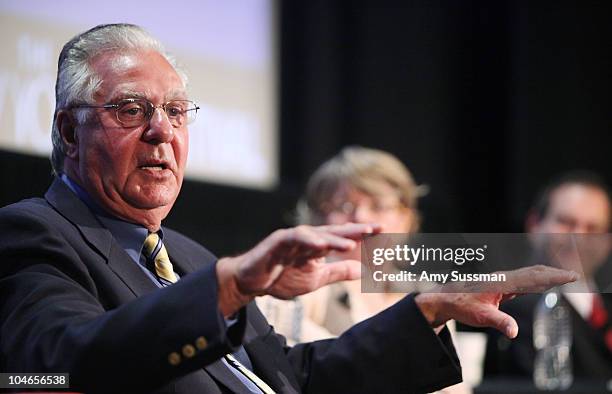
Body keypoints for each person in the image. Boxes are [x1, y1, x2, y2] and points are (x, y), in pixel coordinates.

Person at [0, 24, 576, 394]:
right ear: (68, 133)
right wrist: (229, 286)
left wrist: (424, 312)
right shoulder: (35, 233)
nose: (161, 132)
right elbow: (59, 368)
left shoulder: (189, 258)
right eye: (131, 109)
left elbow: (292, 377)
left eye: (177, 112)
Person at [257, 146, 425, 342]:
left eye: (378, 206)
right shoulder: (306, 283)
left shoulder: (423, 293)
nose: (360, 217)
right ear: (318, 219)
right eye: (343, 206)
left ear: (406, 219)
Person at [483, 171, 612, 381]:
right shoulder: (512, 306)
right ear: (535, 225)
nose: (578, 236)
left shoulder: (604, 307)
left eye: (593, 228)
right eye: (566, 222)